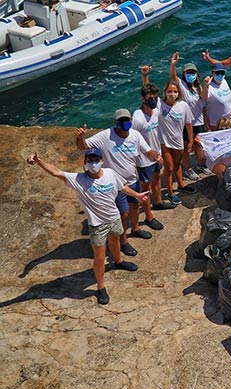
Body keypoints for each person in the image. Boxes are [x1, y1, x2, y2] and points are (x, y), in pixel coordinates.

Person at [26, 149, 147, 304]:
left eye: (96, 159)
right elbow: (56, 172)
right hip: (97, 225)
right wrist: (39, 161)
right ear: (85, 163)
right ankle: (101, 287)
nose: (93, 163)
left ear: (102, 161)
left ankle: (119, 261)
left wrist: (137, 195)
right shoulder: (78, 179)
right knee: (100, 257)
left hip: (114, 219)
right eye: (90, 160)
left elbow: (123, 187)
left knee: (115, 241)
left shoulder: (110, 173)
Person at [75, 109, 163, 257]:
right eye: (121, 120)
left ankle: (135, 228)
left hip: (132, 180)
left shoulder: (135, 135)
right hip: (115, 184)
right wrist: (80, 137)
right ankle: (123, 241)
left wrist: (157, 157)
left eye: (127, 119)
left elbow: (148, 151)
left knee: (135, 207)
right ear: (115, 123)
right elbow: (83, 146)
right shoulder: (105, 136)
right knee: (123, 214)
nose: (125, 123)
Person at [132, 80, 176, 222]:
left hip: (157, 155)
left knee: (157, 179)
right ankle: (149, 217)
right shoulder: (137, 119)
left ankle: (158, 202)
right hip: (144, 160)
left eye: (155, 98)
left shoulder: (156, 111)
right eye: (150, 98)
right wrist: (150, 155)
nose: (153, 100)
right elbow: (133, 141)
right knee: (145, 189)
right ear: (143, 99)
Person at [169, 52, 210, 179]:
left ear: (197, 74)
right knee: (186, 147)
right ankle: (187, 169)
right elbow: (173, 77)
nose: (190, 75)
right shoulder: (182, 86)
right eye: (188, 73)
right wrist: (173, 64)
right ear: (184, 74)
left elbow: (203, 103)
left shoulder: (199, 88)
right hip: (186, 123)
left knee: (199, 145)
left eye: (192, 72)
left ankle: (201, 164)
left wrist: (206, 86)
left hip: (199, 122)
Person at [158, 80, 195, 205]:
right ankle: (170, 193)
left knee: (178, 164)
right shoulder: (160, 104)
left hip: (178, 141)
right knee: (169, 166)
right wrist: (145, 76)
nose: (172, 94)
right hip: (164, 142)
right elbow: (148, 92)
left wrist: (190, 140)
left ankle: (181, 185)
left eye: (175, 91)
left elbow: (188, 123)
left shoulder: (183, 105)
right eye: (169, 91)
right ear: (164, 92)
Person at [201, 63, 231, 131]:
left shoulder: (224, 81)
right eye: (217, 73)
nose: (220, 75)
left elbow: (228, 99)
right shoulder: (209, 86)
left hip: (228, 120)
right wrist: (206, 85)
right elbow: (203, 98)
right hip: (215, 123)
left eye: (222, 73)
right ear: (212, 73)